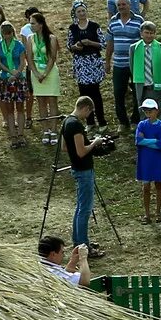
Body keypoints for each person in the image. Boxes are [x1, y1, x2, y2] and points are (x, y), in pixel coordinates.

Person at [61, 95, 104, 260]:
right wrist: (94, 143)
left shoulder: (66, 122)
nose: (88, 116)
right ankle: (83, 246)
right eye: (88, 113)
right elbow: (81, 152)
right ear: (85, 108)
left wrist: (85, 143)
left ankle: (78, 242)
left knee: (80, 208)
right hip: (84, 169)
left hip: (77, 169)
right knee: (85, 210)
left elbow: (66, 148)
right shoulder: (76, 125)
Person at [107, 0, 146, 130]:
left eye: (124, 4)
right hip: (118, 64)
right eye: (119, 5)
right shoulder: (113, 21)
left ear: (130, 5)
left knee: (137, 93)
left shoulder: (139, 20)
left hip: (135, 64)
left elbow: (144, 41)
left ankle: (136, 120)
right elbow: (110, 42)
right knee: (118, 93)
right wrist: (107, 61)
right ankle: (123, 122)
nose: (122, 7)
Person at [0, 20, 32, 148]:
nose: (7, 36)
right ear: (1, 34)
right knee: (9, 109)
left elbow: (22, 62)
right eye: (4, 33)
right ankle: (13, 136)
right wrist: (9, 72)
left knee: (20, 108)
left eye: (9, 33)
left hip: (18, 79)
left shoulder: (19, 45)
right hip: (5, 79)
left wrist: (16, 74)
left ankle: (21, 134)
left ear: (12, 33)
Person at [66, 1, 107, 122]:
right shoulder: (72, 28)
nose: (82, 13)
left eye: (83, 10)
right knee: (84, 93)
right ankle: (89, 121)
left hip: (93, 62)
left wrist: (90, 43)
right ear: (75, 13)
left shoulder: (94, 26)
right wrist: (76, 46)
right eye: (79, 11)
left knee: (96, 93)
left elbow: (103, 43)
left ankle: (101, 120)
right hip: (80, 63)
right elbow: (69, 45)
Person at [28, 12, 62, 129]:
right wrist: (36, 73)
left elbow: (52, 58)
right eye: (30, 23)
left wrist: (45, 73)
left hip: (50, 72)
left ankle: (53, 129)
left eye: (33, 23)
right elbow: (29, 58)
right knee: (41, 102)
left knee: (52, 101)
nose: (31, 26)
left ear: (40, 24)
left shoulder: (51, 38)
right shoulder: (30, 39)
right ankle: (45, 130)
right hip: (36, 73)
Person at [130, 19, 161, 113]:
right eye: (146, 33)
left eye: (151, 33)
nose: (149, 35)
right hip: (142, 88)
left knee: (159, 112)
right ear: (141, 34)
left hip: (157, 87)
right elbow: (132, 67)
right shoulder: (133, 48)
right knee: (144, 113)